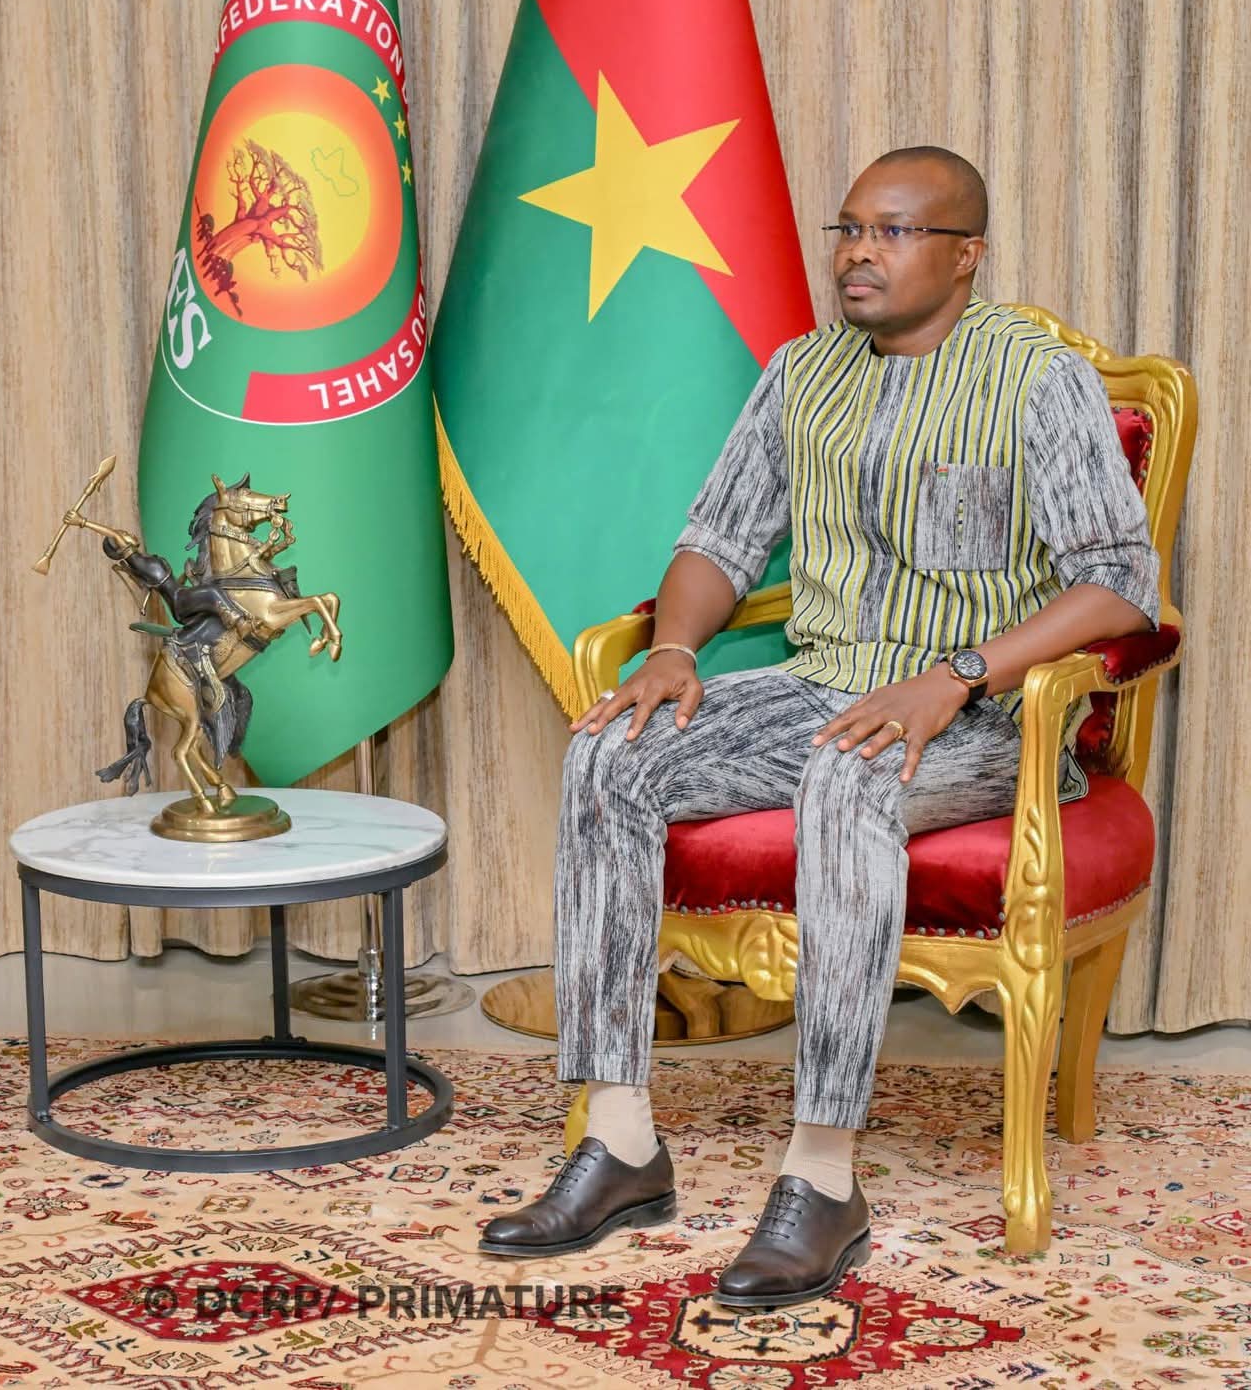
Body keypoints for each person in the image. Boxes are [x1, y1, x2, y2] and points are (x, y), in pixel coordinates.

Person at [478, 148, 1158, 1307]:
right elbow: (717, 542)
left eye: (890, 233)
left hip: (978, 714)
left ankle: (820, 1173)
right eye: (846, 228)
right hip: (821, 681)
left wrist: (956, 671)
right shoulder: (800, 372)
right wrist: (675, 649)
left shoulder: (1035, 381)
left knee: (844, 783)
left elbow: (1120, 581)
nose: (855, 252)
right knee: (606, 752)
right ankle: (621, 1140)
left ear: (962, 255)